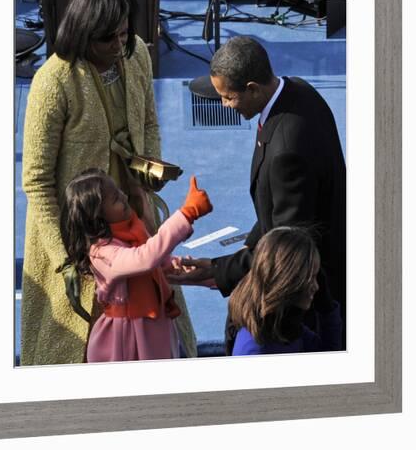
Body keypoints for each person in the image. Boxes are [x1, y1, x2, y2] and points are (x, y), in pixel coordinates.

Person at [20, 0, 197, 365]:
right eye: (109, 38)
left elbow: (148, 122)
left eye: (123, 32)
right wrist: (66, 259)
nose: (120, 44)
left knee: (151, 308)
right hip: (77, 231)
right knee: (79, 343)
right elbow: (36, 180)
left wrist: (147, 176)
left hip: (131, 211)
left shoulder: (135, 56)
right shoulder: (53, 82)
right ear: (84, 35)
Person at [168, 36, 346, 351]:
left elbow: (285, 248)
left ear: (252, 88)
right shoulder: (299, 92)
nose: (223, 105)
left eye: (228, 97)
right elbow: (272, 217)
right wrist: (219, 265)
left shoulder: (286, 153)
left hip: (305, 304)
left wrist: (216, 272)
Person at [60, 169, 212, 362]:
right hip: (127, 339)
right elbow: (145, 258)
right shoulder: (101, 253)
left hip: (156, 325)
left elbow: (154, 261)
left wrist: (178, 265)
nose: (123, 197)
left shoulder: (131, 229)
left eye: (119, 192)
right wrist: (188, 213)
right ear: (97, 217)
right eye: (115, 198)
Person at [229, 227, 342, 355]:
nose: (316, 287)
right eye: (309, 278)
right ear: (287, 280)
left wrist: (326, 308)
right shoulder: (254, 350)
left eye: (317, 277)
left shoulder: (284, 325)